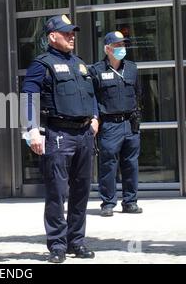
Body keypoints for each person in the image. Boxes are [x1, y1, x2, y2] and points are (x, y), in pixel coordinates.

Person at [22, 15, 99, 263]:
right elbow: (28, 98)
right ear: (52, 36)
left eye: (72, 33)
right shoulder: (41, 64)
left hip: (84, 134)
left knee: (81, 191)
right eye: (66, 33)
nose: (71, 36)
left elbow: (91, 95)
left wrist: (95, 116)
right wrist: (31, 131)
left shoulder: (80, 64)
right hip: (59, 135)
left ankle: (77, 241)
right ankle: (57, 244)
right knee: (57, 191)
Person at [89, 31, 142, 217]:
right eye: (118, 46)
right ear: (108, 48)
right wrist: (95, 119)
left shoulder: (132, 68)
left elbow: (138, 93)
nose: (122, 49)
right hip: (110, 124)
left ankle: (130, 202)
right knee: (108, 164)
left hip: (130, 123)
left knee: (131, 163)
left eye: (124, 45)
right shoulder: (96, 70)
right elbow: (92, 98)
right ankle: (108, 203)